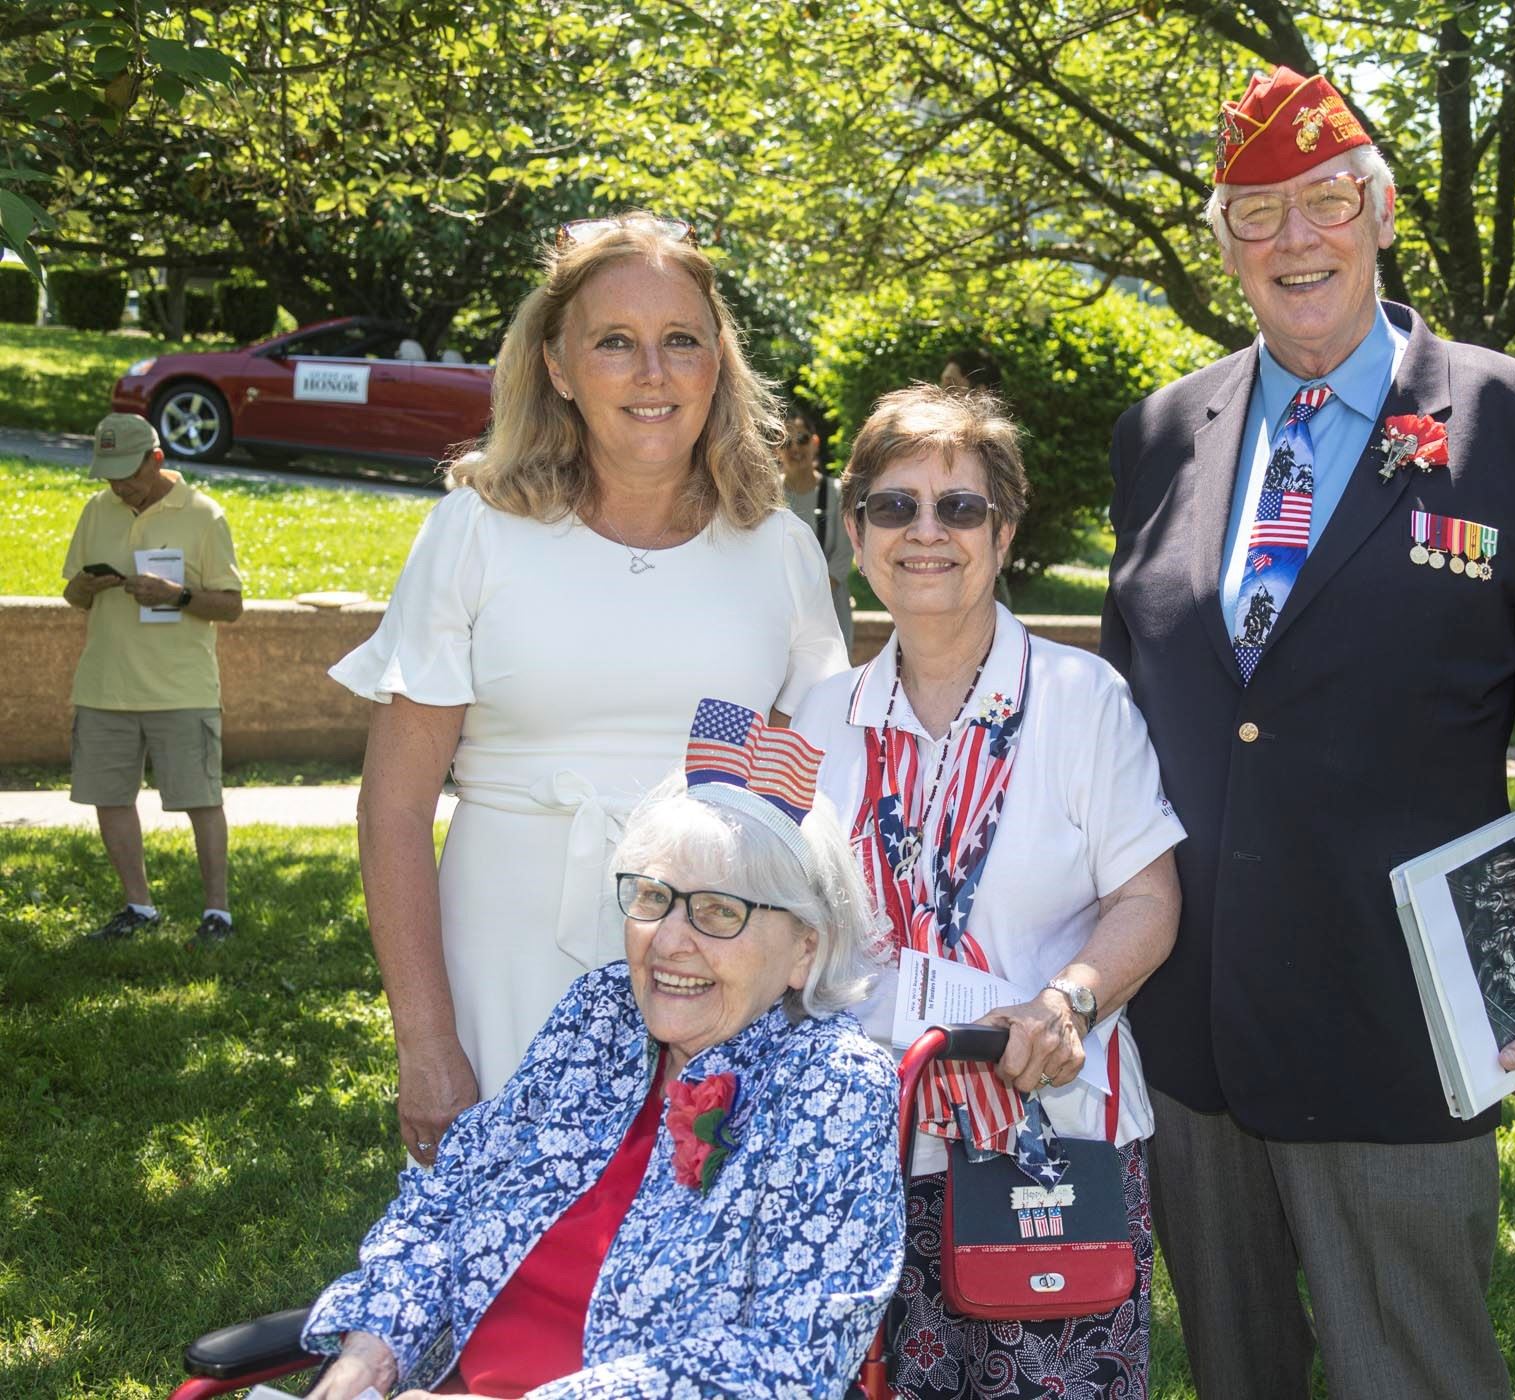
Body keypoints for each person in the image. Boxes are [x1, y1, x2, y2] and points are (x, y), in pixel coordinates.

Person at [1101, 65, 1515, 1399]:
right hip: (1190, 1025)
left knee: (1413, 1371)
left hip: (1401, 1015)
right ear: (1220, 240)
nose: (1295, 239)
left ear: (1382, 211)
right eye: (1255, 212)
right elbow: (1126, 725)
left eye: (1326, 200)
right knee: (1238, 1372)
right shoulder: (1162, 434)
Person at [331, 213, 849, 1164]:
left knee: (677, 1269)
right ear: (559, 367)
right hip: (503, 949)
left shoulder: (777, 551)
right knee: (492, 1268)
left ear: (717, 365)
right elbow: (396, 809)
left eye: (680, 342)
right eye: (616, 342)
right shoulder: (475, 533)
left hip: (709, 968)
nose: (652, 374)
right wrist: (427, 1042)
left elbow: (805, 812)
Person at [301, 715, 903, 1399]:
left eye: (717, 910)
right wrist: (373, 1349)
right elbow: (449, 1200)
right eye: (653, 898)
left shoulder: (834, 1085)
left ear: (806, 949)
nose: (669, 940)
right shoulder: (599, 1014)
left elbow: (792, 1360)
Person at [794, 384, 1184, 1398]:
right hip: (861, 1146)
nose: (927, 531)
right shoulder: (817, 715)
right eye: (895, 505)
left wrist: (1069, 1001)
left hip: (1046, 1135)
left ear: (1003, 532)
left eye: (959, 506)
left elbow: (1148, 897)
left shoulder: (1080, 697)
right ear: (855, 530)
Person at [60, 412, 244, 944]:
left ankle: (217, 914)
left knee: (202, 801)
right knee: (109, 797)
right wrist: (88, 587)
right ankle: (138, 906)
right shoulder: (97, 510)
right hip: (104, 686)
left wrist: (177, 596)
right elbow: (72, 595)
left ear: (156, 459)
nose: (119, 485)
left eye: (129, 474)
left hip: (181, 689)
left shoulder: (205, 516)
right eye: (110, 474)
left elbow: (230, 607)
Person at [778, 402, 856, 641]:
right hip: (780, 614)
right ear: (776, 450)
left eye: (801, 439)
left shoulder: (837, 493)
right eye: (786, 443)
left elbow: (842, 558)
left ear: (814, 443)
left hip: (830, 611)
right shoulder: (765, 495)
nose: (795, 449)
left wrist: (808, 600)